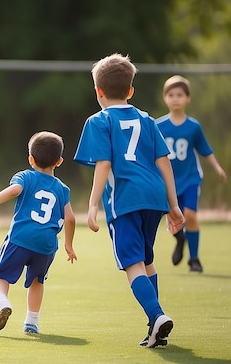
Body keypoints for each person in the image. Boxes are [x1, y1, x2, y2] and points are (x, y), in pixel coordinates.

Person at [73, 53, 185, 348]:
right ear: (131, 91)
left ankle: (157, 315)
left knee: (132, 263)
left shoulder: (99, 120)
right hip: (155, 196)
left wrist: (93, 203)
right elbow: (164, 164)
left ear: (98, 91)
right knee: (147, 261)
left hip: (124, 199)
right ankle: (154, 328)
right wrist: (174, 206)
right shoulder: (147, 119)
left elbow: (104, 164)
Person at [0, 131, 77, 334]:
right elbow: (71, 218)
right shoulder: (62, 189)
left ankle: (3, 302)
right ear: (59, 161)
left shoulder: (25, 176)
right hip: (47, 245)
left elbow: (14, 191)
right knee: (37, 281)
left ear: (31, 159)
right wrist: (69, 244)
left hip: (21, 238)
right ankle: (32, 322)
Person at [156, 75, 227, 273]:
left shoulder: (193, 126)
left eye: (180, 94)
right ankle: (180, 239)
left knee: (190, 215)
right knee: (170, 216)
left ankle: (194, 259)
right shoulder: (158, 125)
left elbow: (205, 149)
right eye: (171, 95)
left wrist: (217, 167)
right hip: (168, 181)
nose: (175, 98)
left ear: (188, 98)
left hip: (190, 178)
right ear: (165, 98)